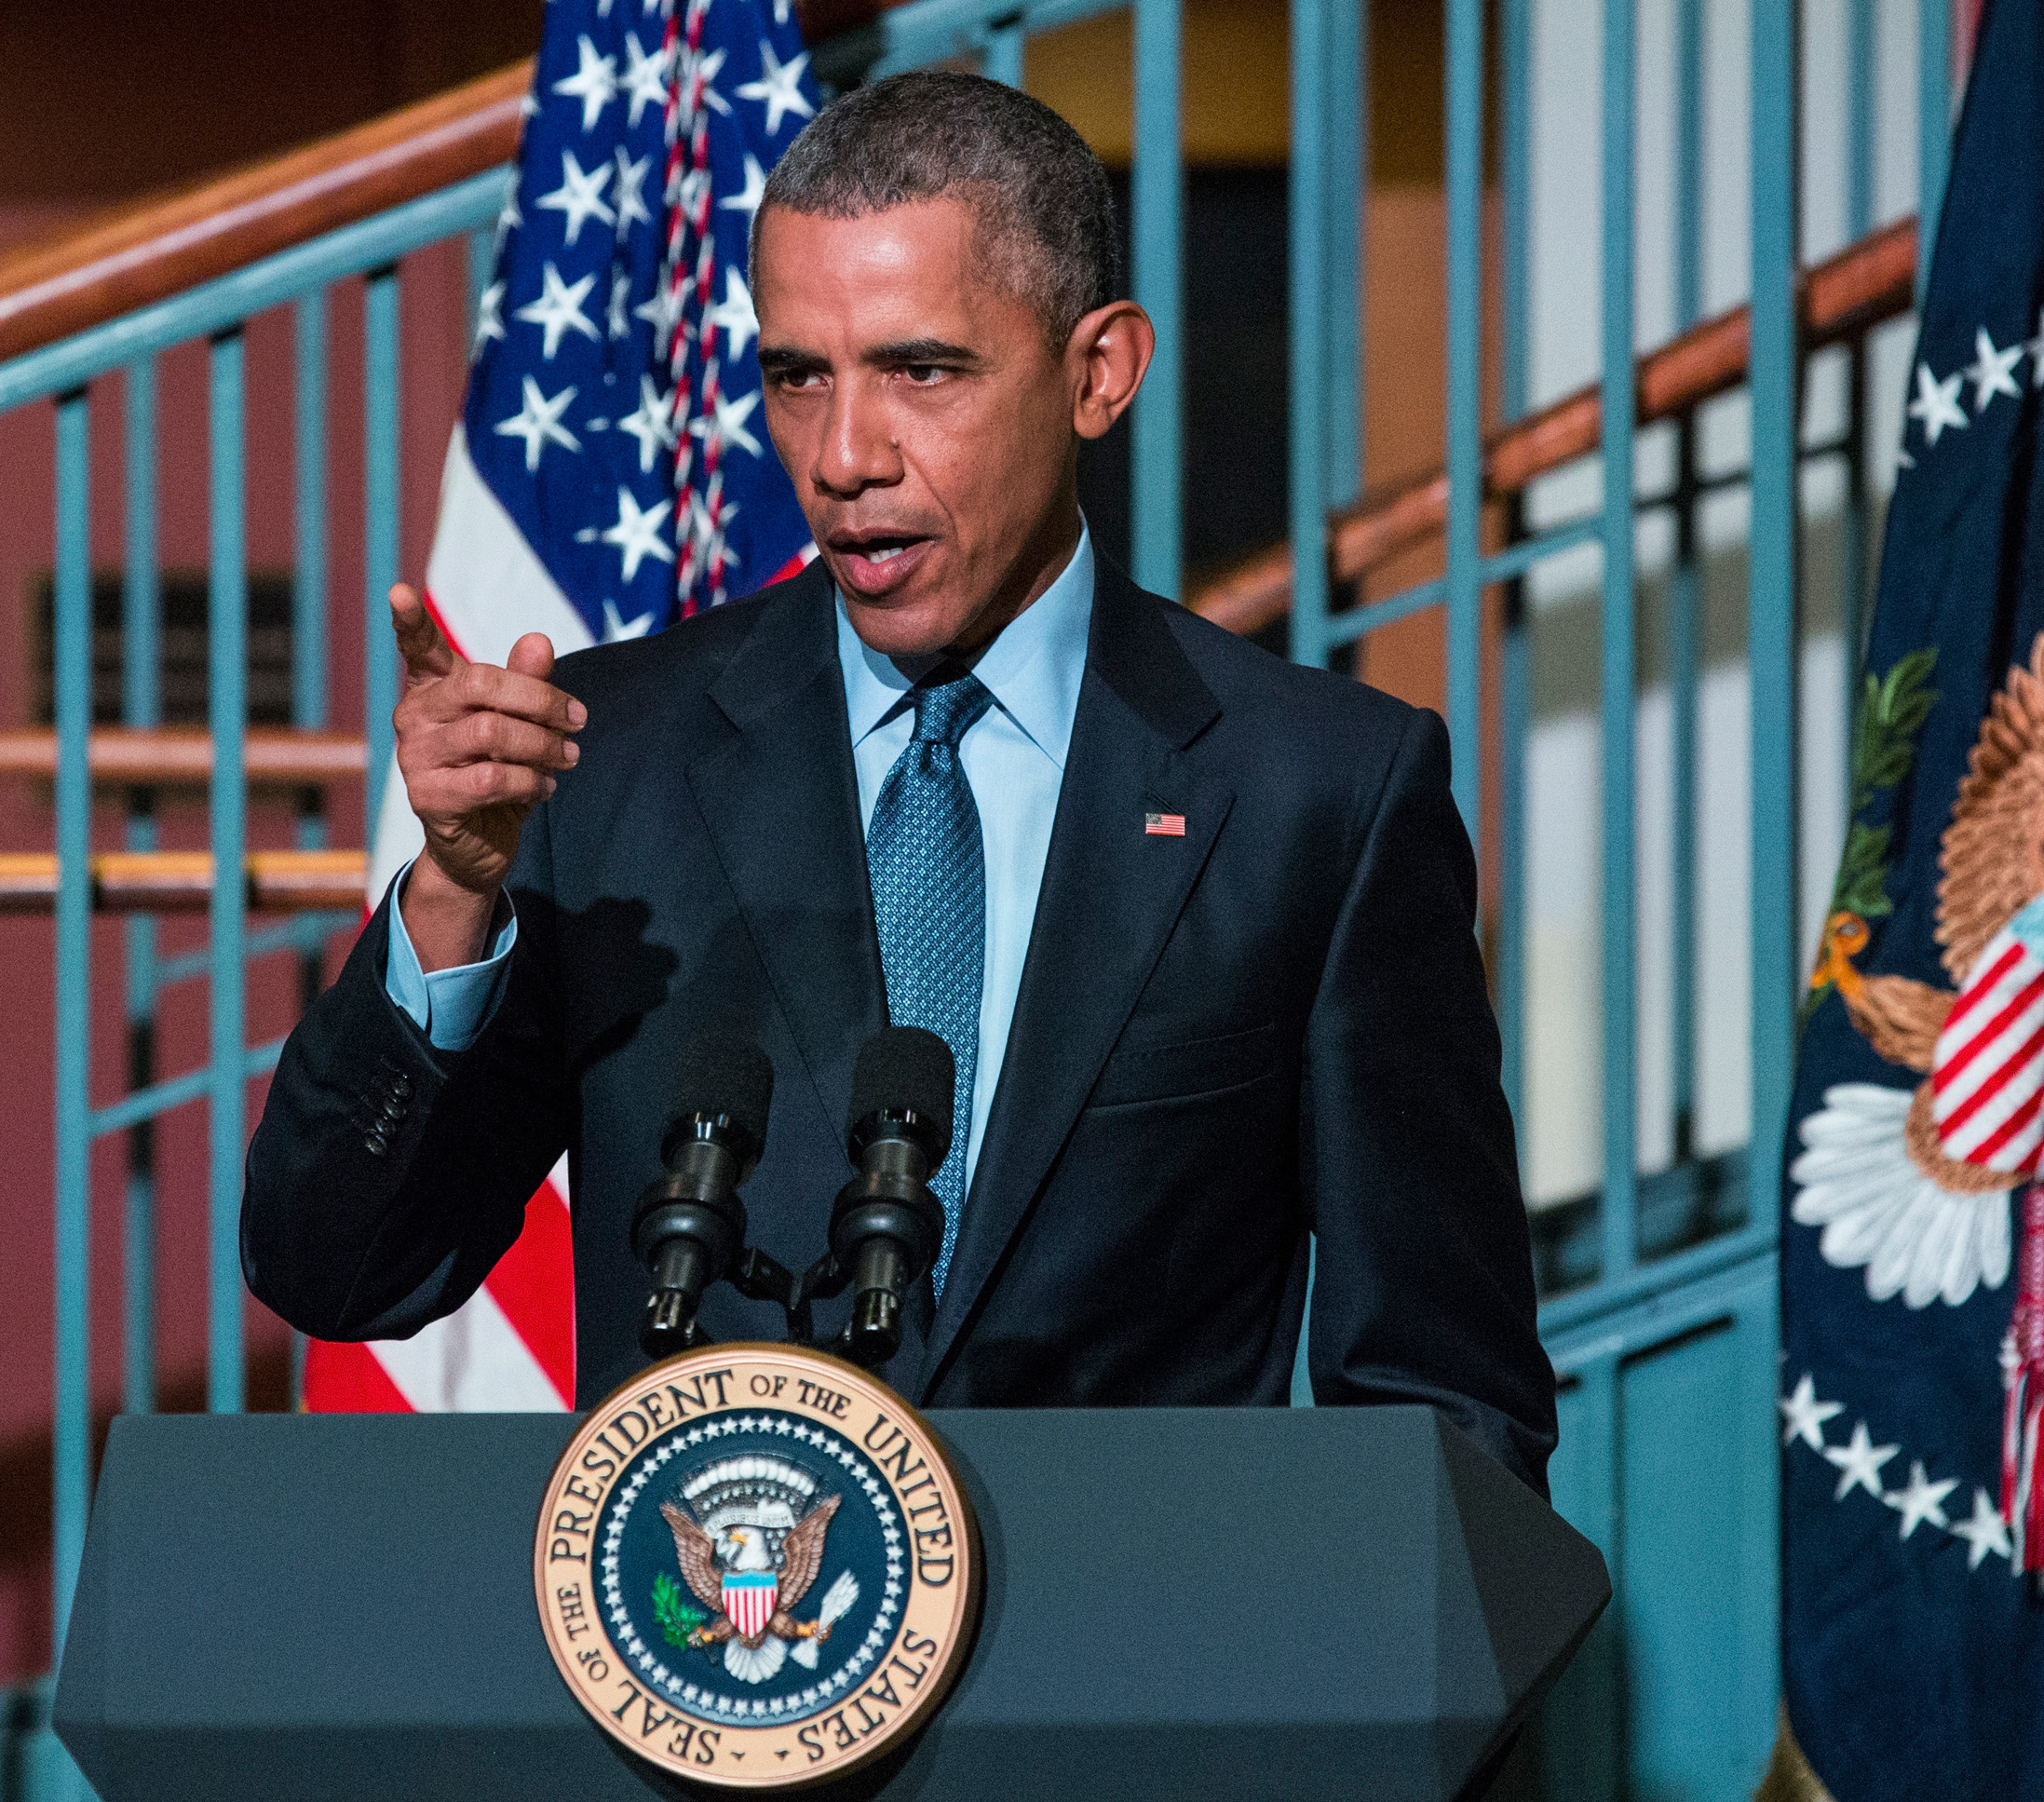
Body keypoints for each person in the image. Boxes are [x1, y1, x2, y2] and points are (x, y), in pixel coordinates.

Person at [240, 70, 1554, 1497]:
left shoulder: (1322, 794)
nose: (845, 456)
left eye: (921, 371)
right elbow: (338, 1268)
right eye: (797, 376)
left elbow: (1445, 1412)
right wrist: (448, 901)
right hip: (706, 1660)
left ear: (1098, 370)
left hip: (1134, 1695)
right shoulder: (600, 758)